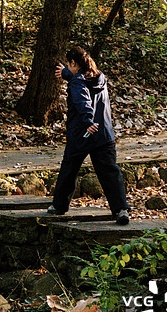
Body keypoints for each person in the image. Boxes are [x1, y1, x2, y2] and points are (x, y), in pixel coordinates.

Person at [47, 45, 129, 225]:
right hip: (104, 134)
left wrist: (87, 121)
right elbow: (84, 83)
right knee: (109, 171)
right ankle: (121, 209)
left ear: (74, 63)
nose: (68, 68)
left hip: (82, 132)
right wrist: (68, 75)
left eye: (69, 65)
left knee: (69, 169)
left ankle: (59, 206)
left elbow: (82, 98)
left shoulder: (77, 82)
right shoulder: (100, 77)